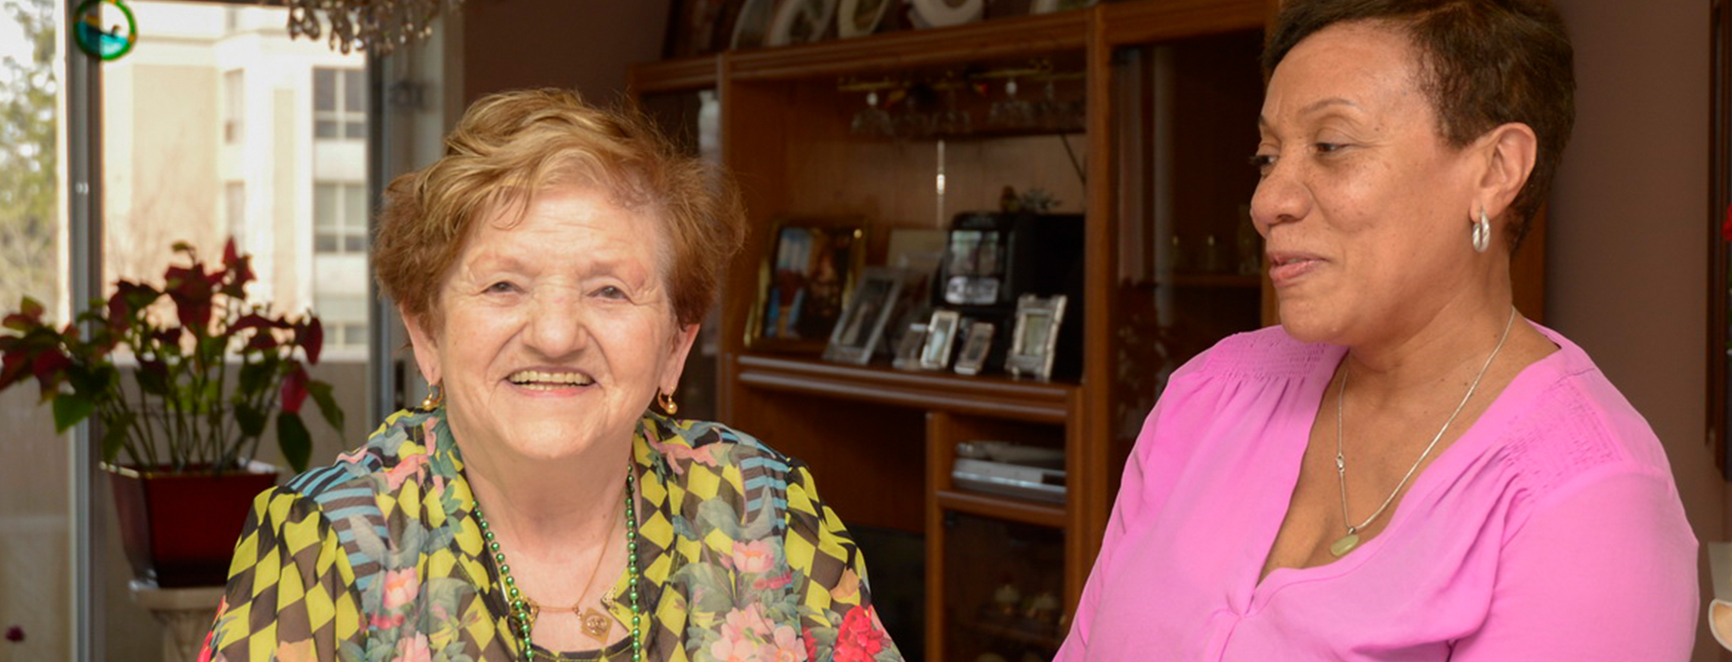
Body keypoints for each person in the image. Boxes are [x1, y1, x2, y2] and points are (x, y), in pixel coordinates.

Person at [1056, 1, 1697, 660]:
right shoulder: (1209, 395)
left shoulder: (1586, 502)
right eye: (1268, 156)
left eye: (1331, 146)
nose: (1267, 202)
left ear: (1495, 170)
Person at [199, 89, 903, 662]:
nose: (557, 335)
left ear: (676, 346)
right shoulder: (326, 539)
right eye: (504, 285)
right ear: (426, 332)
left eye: (609, 292)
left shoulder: (768, 509)